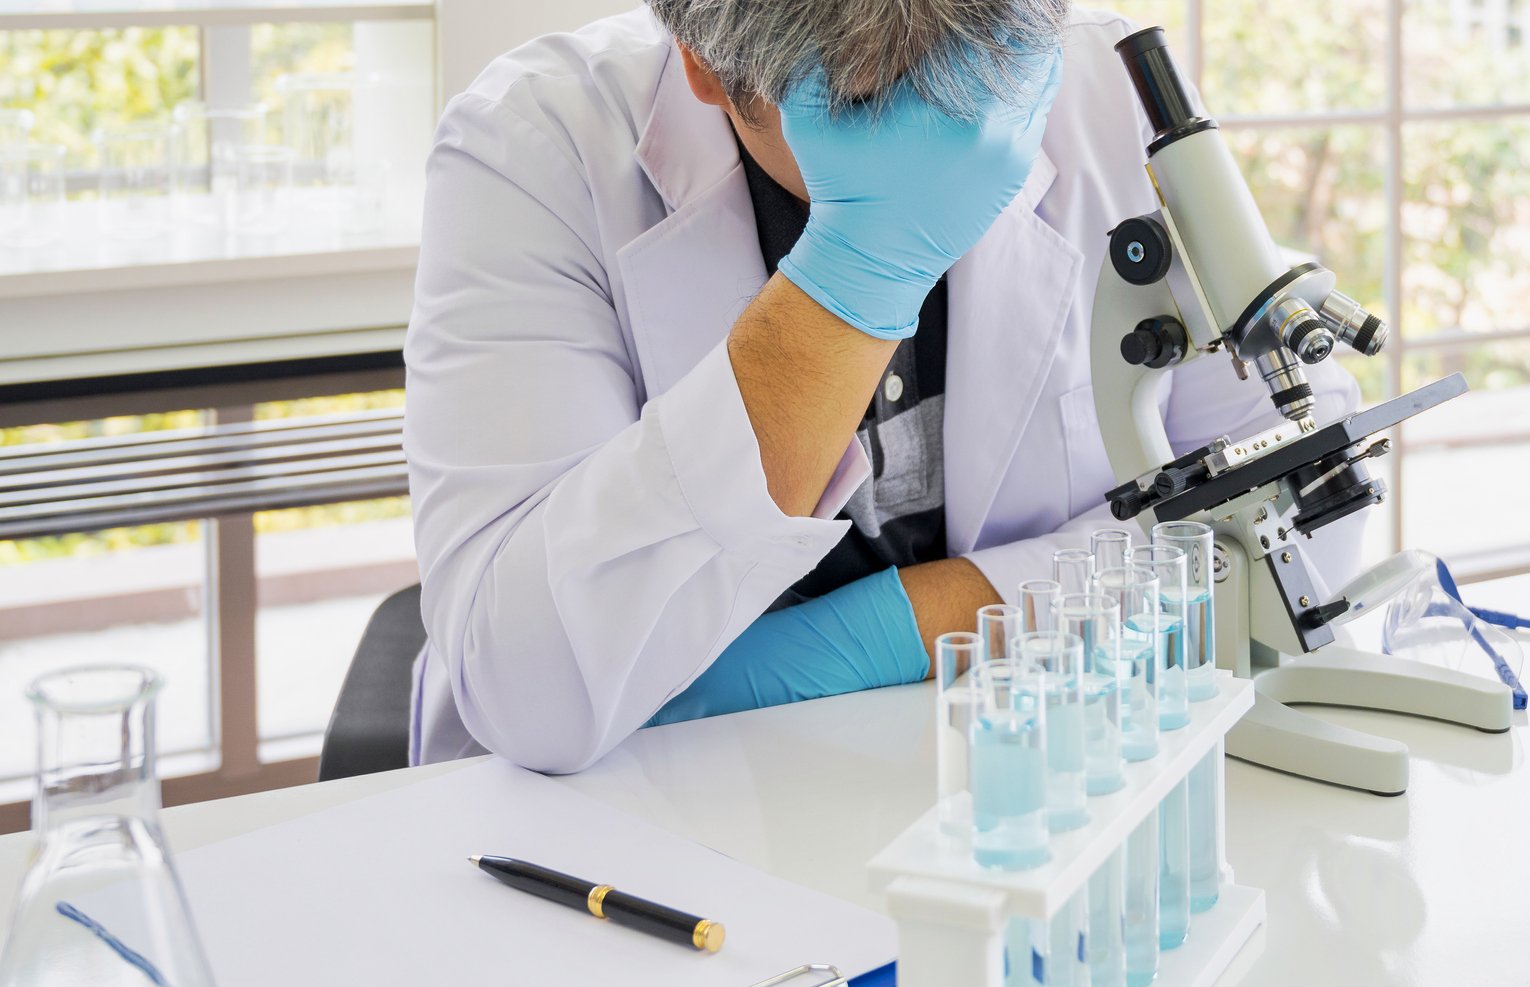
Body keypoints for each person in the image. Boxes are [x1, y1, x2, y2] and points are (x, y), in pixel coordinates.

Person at [403, 2, 1359, 772]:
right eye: (863, 110)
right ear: (707, 70)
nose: (937, 139)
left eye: (973, 86)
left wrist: (915, 624)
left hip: (1026, 770)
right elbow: (532, 683)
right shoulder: (534, 145)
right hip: (652, 811)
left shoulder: (1099, 89)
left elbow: (1299, 505)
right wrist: (852, 278)